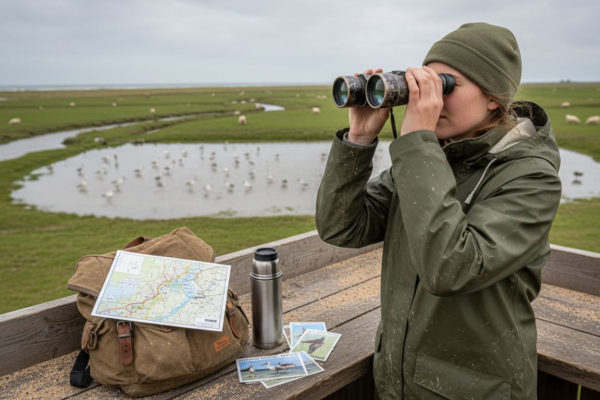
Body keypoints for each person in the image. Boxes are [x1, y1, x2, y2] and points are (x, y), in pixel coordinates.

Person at [316, 22, 562, 399]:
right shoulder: (432, 159)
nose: (429, 99)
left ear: (494, 97)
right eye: (425, 83)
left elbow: (450, 268)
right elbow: (342, 228)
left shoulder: (530, 178)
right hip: (399, 383)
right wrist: (360, 139)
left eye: (446, 85)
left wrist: (417, 142)